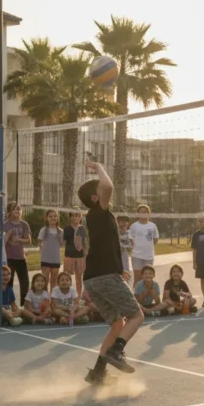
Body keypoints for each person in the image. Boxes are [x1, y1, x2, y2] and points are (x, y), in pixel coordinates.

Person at [78, 159, 144, 383]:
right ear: (95, 198)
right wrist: (98, 167)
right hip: (104, 276)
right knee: (137, 316)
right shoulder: (99, 211)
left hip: (94, 279)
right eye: (99, 189)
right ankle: (117, 350)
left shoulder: (97, 216)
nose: (104, 189)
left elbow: (108, 246)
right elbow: (108, 186)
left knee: (117, 324)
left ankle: (98, 372)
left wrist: (119, 269)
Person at [3, 202, 32, 301]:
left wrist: (18, 239)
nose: (17, 211)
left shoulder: (24, 224)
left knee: (25, 283)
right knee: (8, 282)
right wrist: (8, 235)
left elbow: (29, 240)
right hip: (9, 258)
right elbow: (2, 242)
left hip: (21, 258)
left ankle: (24, 304)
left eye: (19, 209)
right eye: (15, 209)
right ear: (9, 211)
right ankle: (8, 303)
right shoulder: (5, 225)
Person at [130, 204, 159, 285]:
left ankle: (147, 293)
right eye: (141, 212)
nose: (143, 213)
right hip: (137, 256)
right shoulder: (134, 226)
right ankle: (135, 293)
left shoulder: (152, 226)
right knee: (137, 279)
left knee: (147, 279)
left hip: (148, 256)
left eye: (146, 212)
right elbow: (131, 239)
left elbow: (155, 239)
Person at [62, 211, 88, 296]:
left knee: (78, 278)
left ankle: (78, 296)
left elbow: (84, 242)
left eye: (77, 216)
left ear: (80, 217)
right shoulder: (66, 228)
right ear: (69, 217)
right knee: (66, 278)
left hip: (80, 256)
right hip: (69, 255)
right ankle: (67, 296)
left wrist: (86, 252)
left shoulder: (82, 228)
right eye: (72, 216)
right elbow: (64, 241)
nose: (75, 218)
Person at [38, 209, 64, 288]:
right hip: (45, 259)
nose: (53, 218)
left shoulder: (61, 231)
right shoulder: (44, 230)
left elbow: (62, 244)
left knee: (54, 282)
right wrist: (41, 248)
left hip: (56, 259)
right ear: (46, 218)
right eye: (50, 216)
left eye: (55, 216)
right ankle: (45, 296)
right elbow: (39, 242)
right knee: (45, 281)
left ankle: (53, 296)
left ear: (57, 218)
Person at [117, 212, 133, 281]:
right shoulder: (114, 231)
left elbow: (130, 245)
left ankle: (126, 283)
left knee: (125, 271)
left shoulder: (129, 232)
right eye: (120, 221)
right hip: (114, 254)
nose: (123, 223)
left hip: (123, 253)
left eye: (125, 221)